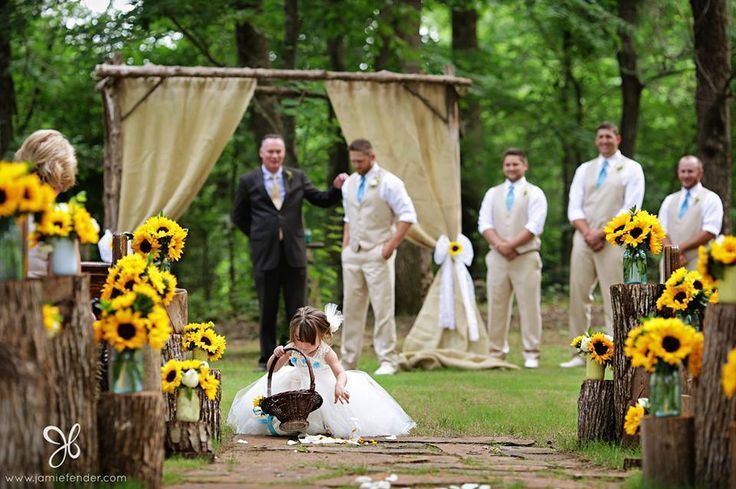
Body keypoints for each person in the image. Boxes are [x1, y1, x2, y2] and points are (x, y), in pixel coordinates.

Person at [232, 134, 347, 370]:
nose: (275, 156)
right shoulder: (248, 180)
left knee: (298, 309)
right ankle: (267, 359)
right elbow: (239, 216)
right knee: (267, 308)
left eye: (279, 152)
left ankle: (300, 356)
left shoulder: (297, 177)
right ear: (261, 153)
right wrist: (258, 236)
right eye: (270, 151)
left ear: (283, 154)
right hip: (265, 255)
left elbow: (321, 199)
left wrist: (335, 190)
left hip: (294, 254)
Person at [227, 305, 416, 438]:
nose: (303, 346)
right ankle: (289, 424)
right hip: (295, 382)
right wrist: (278, 355)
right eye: (299, 339)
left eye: (310, 342)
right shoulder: (292, 346)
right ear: (293, 335)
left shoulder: (326, 351)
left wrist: (339, 386)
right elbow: (272, 369)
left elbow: (340, 373)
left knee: (330, 414)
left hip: (322, 385)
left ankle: (321, 427)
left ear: (323, 336)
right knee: (285, 408)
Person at [561, 122, 644, 368]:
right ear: (596, 140)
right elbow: (574, 206)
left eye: (609, 136)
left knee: (613, 293)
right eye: (600, 137)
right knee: (578, 293)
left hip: (615, 238)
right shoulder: (584, 169)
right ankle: (580, 350)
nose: (604, 140)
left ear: (618, 138)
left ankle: (617, 349)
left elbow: (631, 207)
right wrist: (587, 232)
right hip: (583, 237)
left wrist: (602, 233)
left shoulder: (631, 168)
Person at [340, 138, 417, 376]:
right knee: (351, 308)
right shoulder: (349, 183)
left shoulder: (390, 182)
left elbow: (408, 215)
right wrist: (345, 247)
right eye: (353, 161)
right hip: (353, 253)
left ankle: (387, 359)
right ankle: (347, 361)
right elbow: (349, 218)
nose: (357, 165)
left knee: (382, 307)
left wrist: (390, 246)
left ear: (372, 156)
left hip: (378, 251)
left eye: (360, 161)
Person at [478, 148, 548, 369]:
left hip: (525, 256)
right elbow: (484, 223)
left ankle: (531, 353)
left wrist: (511, 245)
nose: (511, 168)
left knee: (529, 305)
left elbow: (534, 225)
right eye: (507, 164)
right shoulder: (492, 193)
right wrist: (500, 245)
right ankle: (496, 352)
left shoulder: (535, 193)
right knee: (496, 305)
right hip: (498, 257)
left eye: (515, 164)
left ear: (524, 166)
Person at [15, 129, 78, 278]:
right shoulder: (12, 217)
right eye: (53, 185)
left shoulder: (61, 218)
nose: (56, 193)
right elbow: (72, 282)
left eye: (60, 187)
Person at [658, 155, 723, 271]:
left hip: (700, 265)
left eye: (690, 171)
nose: (686, 175)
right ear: (678, 172)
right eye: (683, 171)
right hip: (670, 265)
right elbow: (661, 231)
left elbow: (710, 231)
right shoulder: (669, 200)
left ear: (700, 173)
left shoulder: (711, 198)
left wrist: (679, 249)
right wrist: (673, 254)